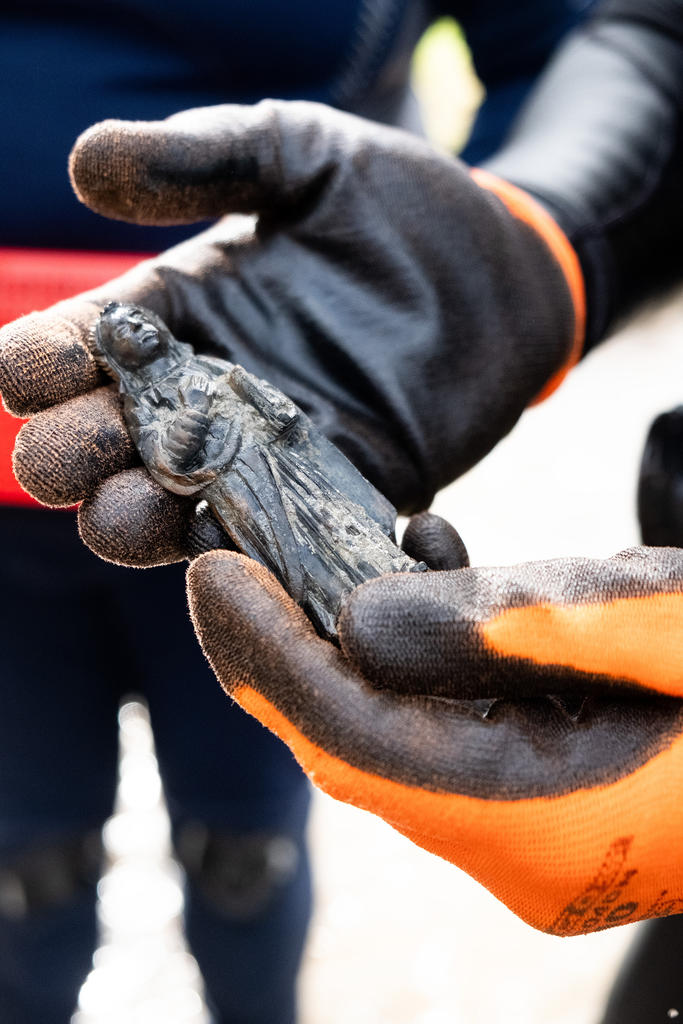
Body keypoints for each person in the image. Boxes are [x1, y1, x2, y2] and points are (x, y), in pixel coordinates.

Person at [1, 0, 682, 1021]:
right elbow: (658, 37)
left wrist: (525, 219)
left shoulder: (199, 383)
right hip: (48, 524)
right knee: (27, 854)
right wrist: (546, 219)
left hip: (282, 441)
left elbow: (566, 32)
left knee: (247, 840)